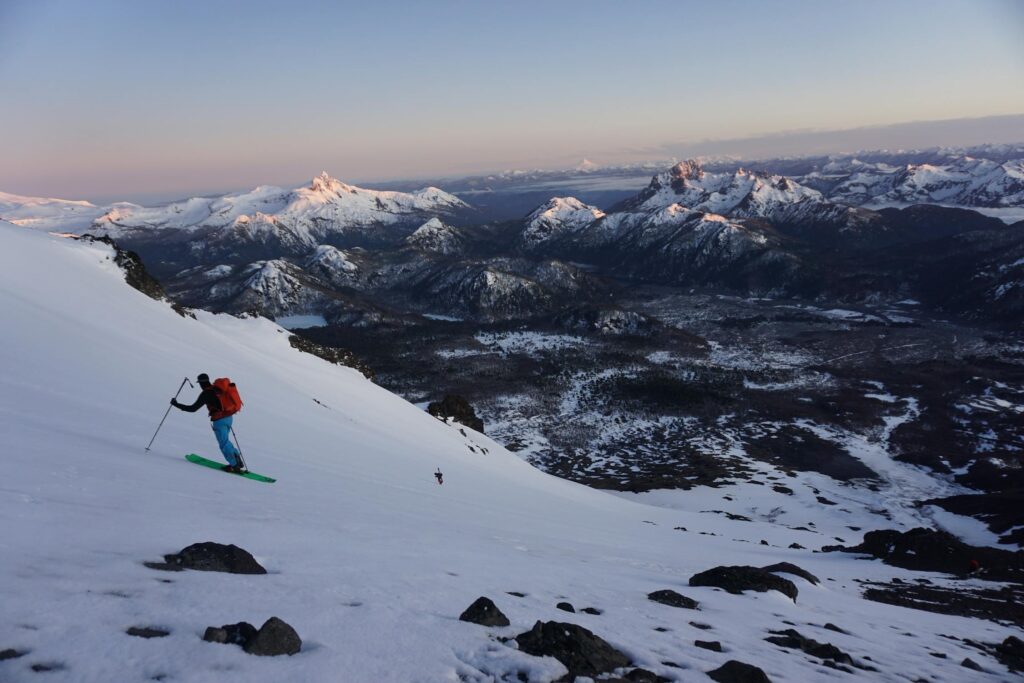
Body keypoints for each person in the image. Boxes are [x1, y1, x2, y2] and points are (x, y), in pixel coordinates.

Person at [171, 373, 246, 473]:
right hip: (229, 417)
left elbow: (193, 409)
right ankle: (237, 462)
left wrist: (176, 404)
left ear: (201, 383)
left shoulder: (206, 393)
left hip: (219, 420)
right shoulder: (217, 389)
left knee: (223, 443)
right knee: (226, 441)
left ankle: (234, 465)